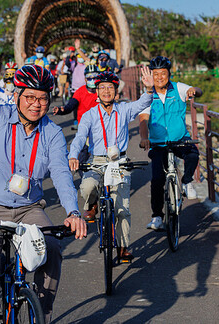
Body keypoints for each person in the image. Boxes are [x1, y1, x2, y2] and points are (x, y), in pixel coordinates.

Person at [0, 34, 87, 324]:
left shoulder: (52, 133)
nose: (36, 104)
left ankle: (40, 311)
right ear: (17, 96)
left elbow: (61, 173)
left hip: (29, 209)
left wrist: (72, 211)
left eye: (43, 98)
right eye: (29, 97)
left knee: (53, 249)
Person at [68, 69, 154, 261]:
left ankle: (123, 247)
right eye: (102, 87)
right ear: (96, 91)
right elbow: (80, 137)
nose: (106, 91)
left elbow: (143, 103)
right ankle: (92, 204)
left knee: (122, 208)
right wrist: (73, 155)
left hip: (119, 162)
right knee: (88, 186)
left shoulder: (124, 109)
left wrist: (149, 89)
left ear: (116, 91)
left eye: (110, 87)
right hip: (97, 160)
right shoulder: (89, 115)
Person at [139, 56, 202, 231]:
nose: (159, 77)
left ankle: (187, 181)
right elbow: (143, 119)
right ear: (151, 75)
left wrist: (193, 91)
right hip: (159, 143)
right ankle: (157, 217)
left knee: (193, 154)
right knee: (157, 179)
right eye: (156, 74)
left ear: (169, 74)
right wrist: (144, 138)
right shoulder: (148, 95)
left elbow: (197, 89)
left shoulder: (178, 88)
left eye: (163, 74)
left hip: (180, 139)